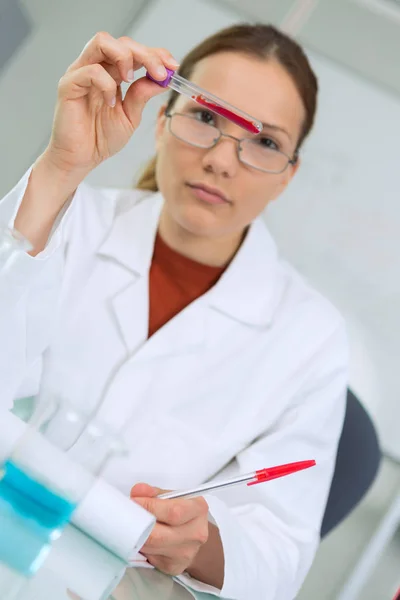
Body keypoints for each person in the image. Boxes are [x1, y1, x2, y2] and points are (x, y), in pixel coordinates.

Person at [0, 23, 349, 600]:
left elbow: (280, 553)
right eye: (207, 117)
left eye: (263, 142)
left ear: (289, 174)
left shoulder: (310, 336)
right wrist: (62, 165)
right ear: (160, 121)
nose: (221, 160)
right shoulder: (69, 217)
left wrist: (202, 541)